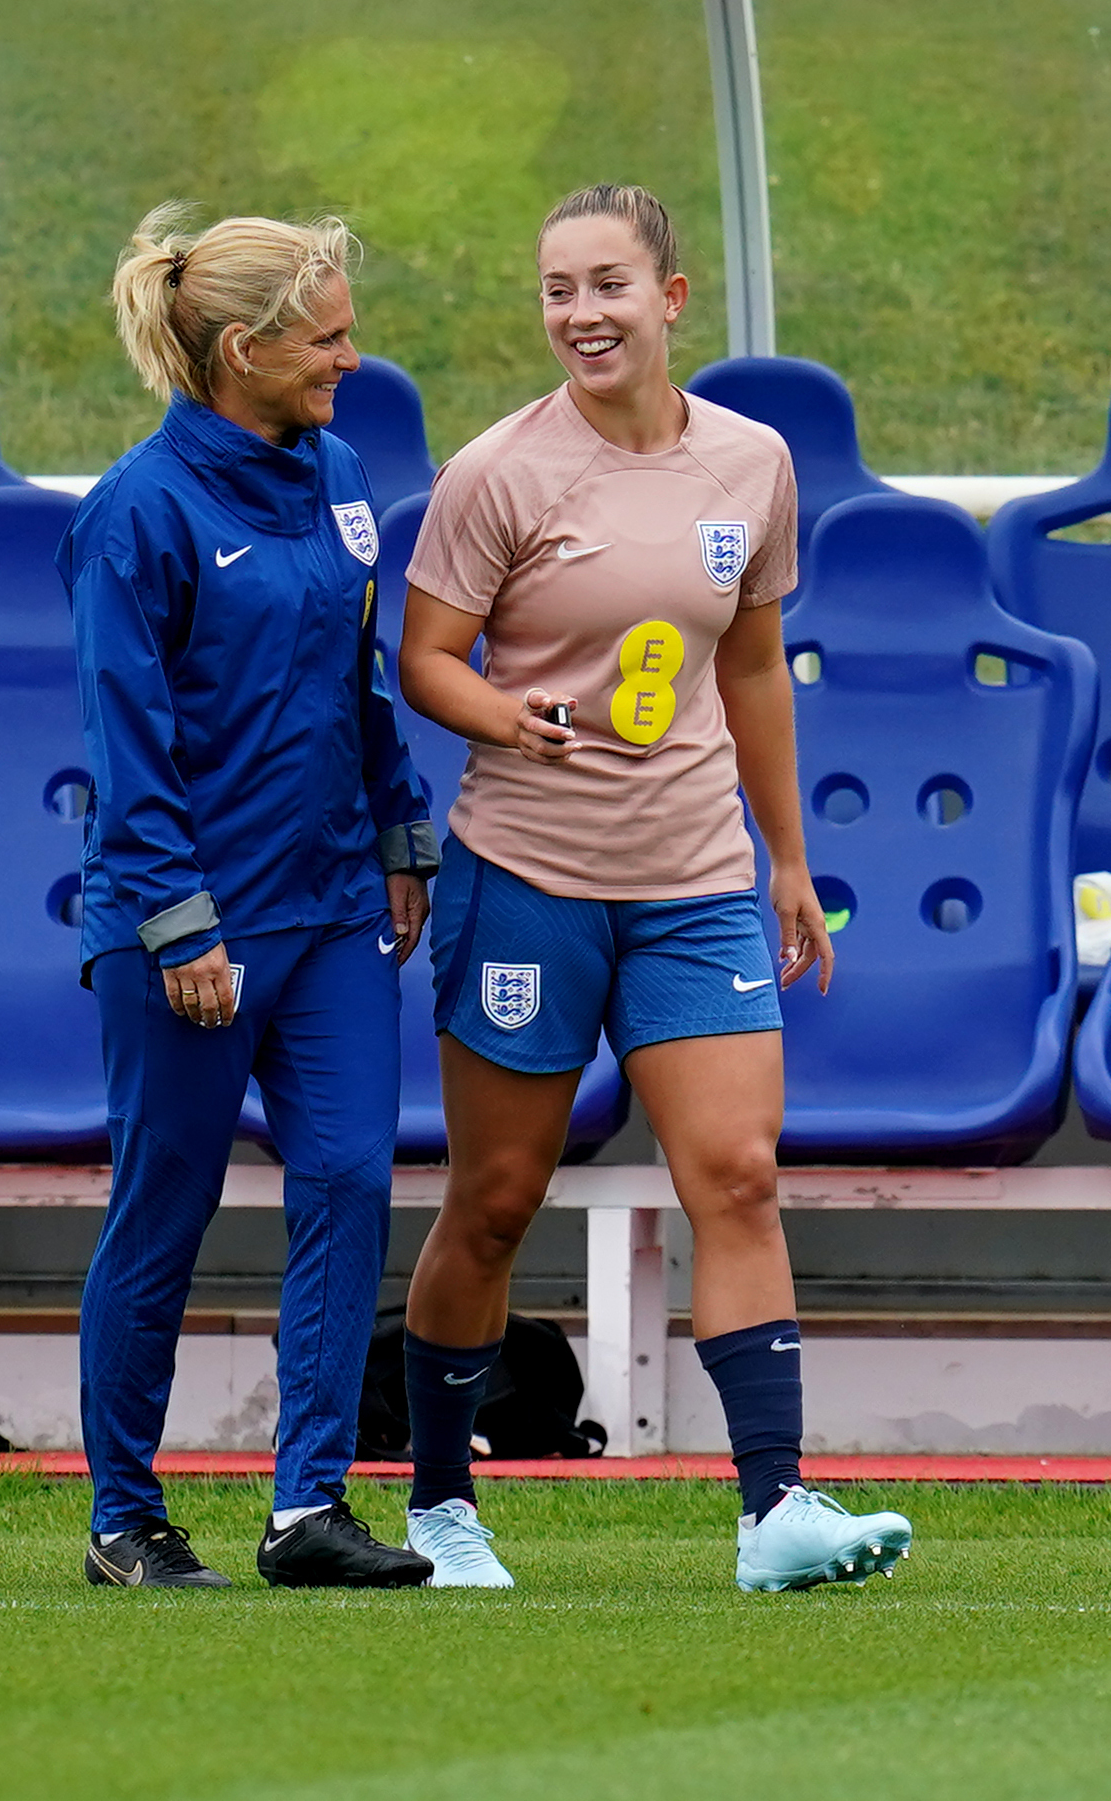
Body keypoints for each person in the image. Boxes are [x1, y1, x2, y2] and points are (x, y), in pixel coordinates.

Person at [393, 183, 914, 1593]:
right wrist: (501, 720)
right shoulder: (497, 472)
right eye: (557, 291)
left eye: (607, 286)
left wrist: (787, 858)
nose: (580, 315)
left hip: (696, 882)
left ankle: (774, 1514)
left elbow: (749, 664)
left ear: (670, 299)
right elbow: (425, 658)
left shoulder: (750, 463)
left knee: (736, 1177)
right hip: (528, 881)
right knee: (495, 1201)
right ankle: (440, 1509)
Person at [59, 202, 443, 1591]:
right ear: (240, 348)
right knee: (162, 1202)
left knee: (346, 1178)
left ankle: (307, 1512)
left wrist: (404, 828)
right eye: (326, 337)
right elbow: (125, 736)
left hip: (334, 901)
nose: (351, 357)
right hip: (188, 929)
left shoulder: (340, 473)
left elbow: (360, 672)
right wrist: (174, 919)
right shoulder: (134, 513)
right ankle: (124, 1518)